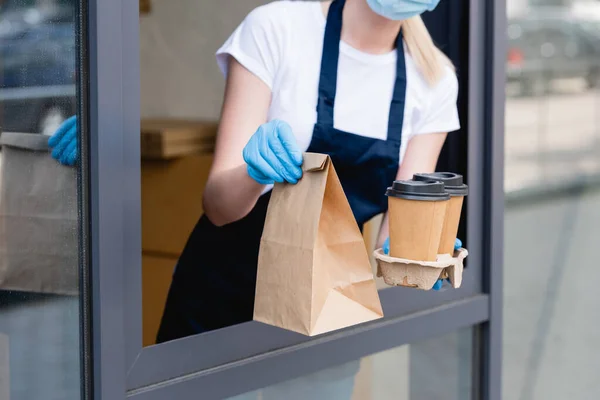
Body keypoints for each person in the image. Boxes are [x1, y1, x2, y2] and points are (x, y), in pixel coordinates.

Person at [49, 0, 462, 344]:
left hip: (326, 311)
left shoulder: (434, 79)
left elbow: (395, 241)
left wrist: (425, 258)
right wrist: (254, 172)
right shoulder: (277, 28)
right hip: (219, 302)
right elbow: (218, 206)